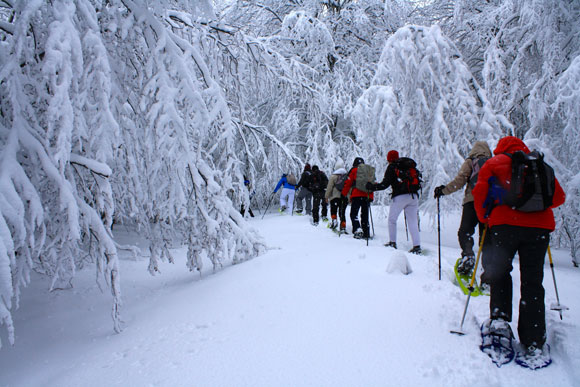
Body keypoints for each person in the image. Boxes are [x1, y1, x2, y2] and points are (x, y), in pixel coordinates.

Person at [472, 136, 565, 364]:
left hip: (504, 227)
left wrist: (486, 218)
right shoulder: (540, 164)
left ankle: (500, 324)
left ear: (500, 149)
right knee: (533, 280)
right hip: (539, 229)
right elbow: (559, 197)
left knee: (501, 273)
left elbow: (480, 195)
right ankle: (534, 339)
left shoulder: (494, 164)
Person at [433, 141, 492, 276]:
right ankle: (488, 273)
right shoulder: (492, 162)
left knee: (465, 231)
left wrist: (443, 191)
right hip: (489, 204)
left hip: (472, 201)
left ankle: (468, 256)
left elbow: (460, 180)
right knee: (486, 238)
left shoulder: (471, 161)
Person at [367, 150, 421, 254]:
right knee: (413, 222)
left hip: (400, 196)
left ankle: (392, 242)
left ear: (389, 159)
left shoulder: (392, 167)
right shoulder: (408, 166)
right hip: (413, 196)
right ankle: (417, 246)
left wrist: (372, 187)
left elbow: (385, 184)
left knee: (392, 220)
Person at [341, 157, 374, 239]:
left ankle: (357, 229)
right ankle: (366, 232)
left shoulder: (354, 170)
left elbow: (348, 183)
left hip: (356, 195)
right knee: (365, 215)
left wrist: (343, 194)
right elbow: (372, 184)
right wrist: (371, 197)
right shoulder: (368, 171)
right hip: (367, 195)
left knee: (354, 214)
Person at [325, 159, 348, 232]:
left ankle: (334, 221)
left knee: (333, 210)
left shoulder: (333, 176)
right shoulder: (346, 176)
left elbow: (329, 187)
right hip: (344, 197)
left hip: (335, 196)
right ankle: (343, 225)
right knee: (342, 212)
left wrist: (326, 196)